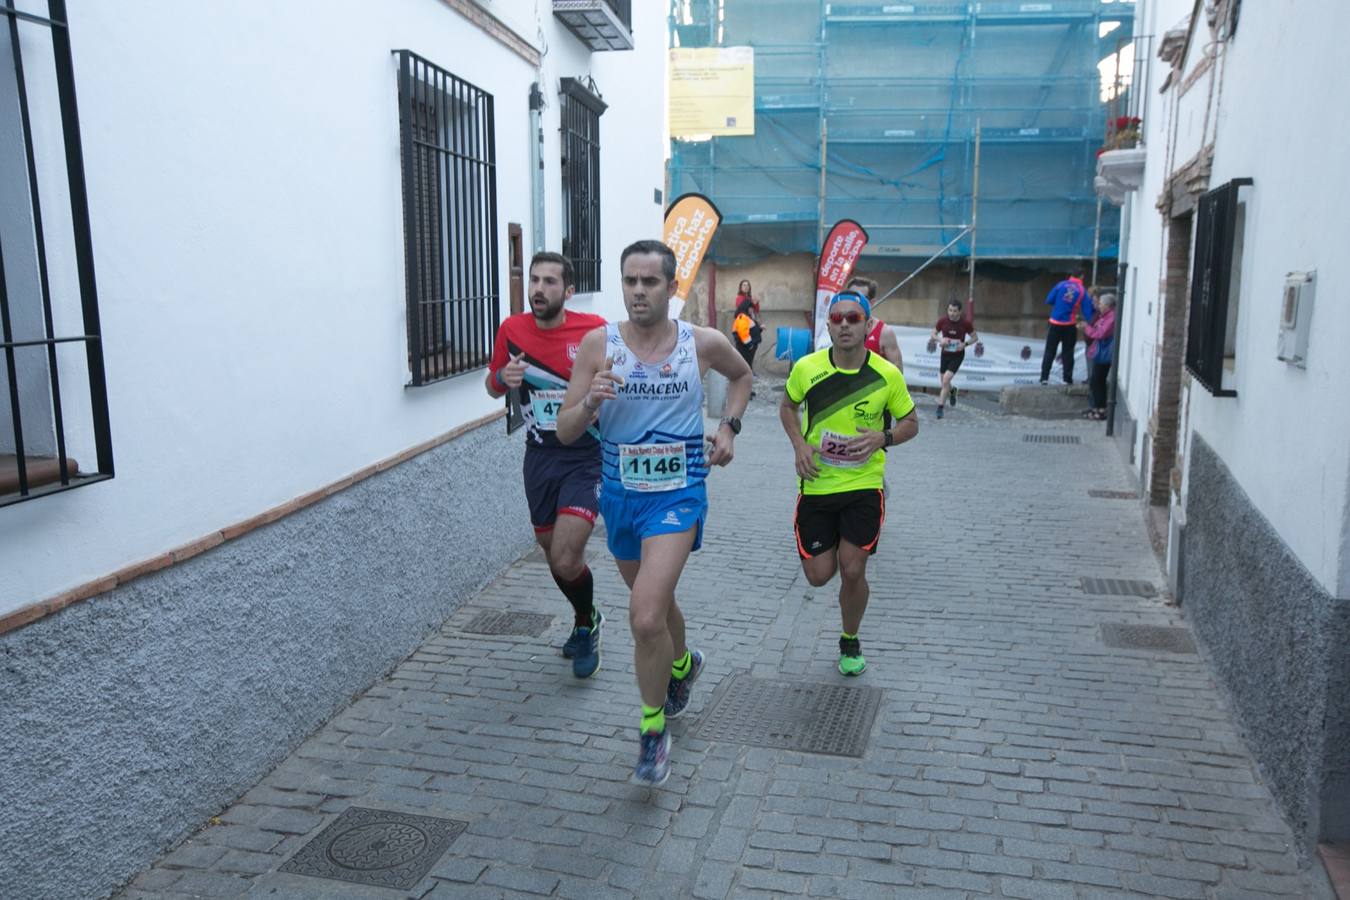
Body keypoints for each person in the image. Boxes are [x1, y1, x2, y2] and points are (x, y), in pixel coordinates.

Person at [556, 239, 752, 786]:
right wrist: (591, 401)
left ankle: (651, 729)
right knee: (658, 610)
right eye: (630, 281)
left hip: (678, 494)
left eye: (649, 282)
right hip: (620, 498)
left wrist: (729, 427)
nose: (638, 291)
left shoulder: (702, 343)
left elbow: (742, 377)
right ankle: (683, 666)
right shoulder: (599, 345)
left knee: (644, 616)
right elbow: (565, 429)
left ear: (670, 287)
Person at [780, 290, 918, 677]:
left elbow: (911, 423)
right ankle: (841, 553)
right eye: (837, 318)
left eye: (853, 319)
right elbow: (787, 406)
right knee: (818, 575)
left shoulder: (886, 374)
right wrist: (798, 446)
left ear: (868, 326)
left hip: (863, 484)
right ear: (827, 325)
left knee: (853, 569)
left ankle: (850, 637)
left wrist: (882, 438)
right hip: (818, 484)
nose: (844, 324)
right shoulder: (807, 368)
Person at [485, 253, 608, 679]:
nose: (539, 288)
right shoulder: (511, 329)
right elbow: (490, 384)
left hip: (586, 457)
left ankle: (586, 626)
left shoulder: (593, 331)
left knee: (567, 557)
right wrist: (504, 379)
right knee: (554, 557)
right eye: (534, 279)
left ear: (568, 291)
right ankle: (587, 615)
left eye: (550, 281)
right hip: (539, 458)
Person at [1039, 268, 1094, 385]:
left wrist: (1060, 305)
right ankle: (1067, 379)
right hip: (1069, 325)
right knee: (1068, 352)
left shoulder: (1061, 285)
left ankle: (1044, 378)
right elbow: (1088, 312)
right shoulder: (1082, 290)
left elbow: (1049, 300)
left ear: (1071, 275)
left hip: (1054, 322)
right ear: (1082, 277)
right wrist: (1092, 323)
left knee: (1049, 351)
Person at [929, 299, 978, 419]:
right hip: (945, 354)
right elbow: (933, 334)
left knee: (945, 380)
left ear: (960, 312)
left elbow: (975, 337)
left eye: (955, 311)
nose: (952, 313)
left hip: (957, 355)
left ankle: (940, 408)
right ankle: (953, 391)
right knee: (944, 382)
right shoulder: (943, 321)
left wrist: (964, 344)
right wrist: (941, 340)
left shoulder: (965, 324)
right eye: (950, 310)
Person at [846, 277, 904, 372]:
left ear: (872, 303)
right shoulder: (839, 327)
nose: (854, 301)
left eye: (860, 298)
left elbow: (898, 372)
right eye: (850, 296)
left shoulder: (884, 332)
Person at [1080, 292, 1117, 420]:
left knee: (1098, 380)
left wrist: (1086, 328)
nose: (1098, 306)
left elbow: (1100, 333)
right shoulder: (1104, 316)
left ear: (1108, 305)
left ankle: (1101, 409)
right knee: (1095, 380)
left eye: (1100, 303)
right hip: (1099, 352)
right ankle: (1096, 407)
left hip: (1105, 354)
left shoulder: (1111, 318)